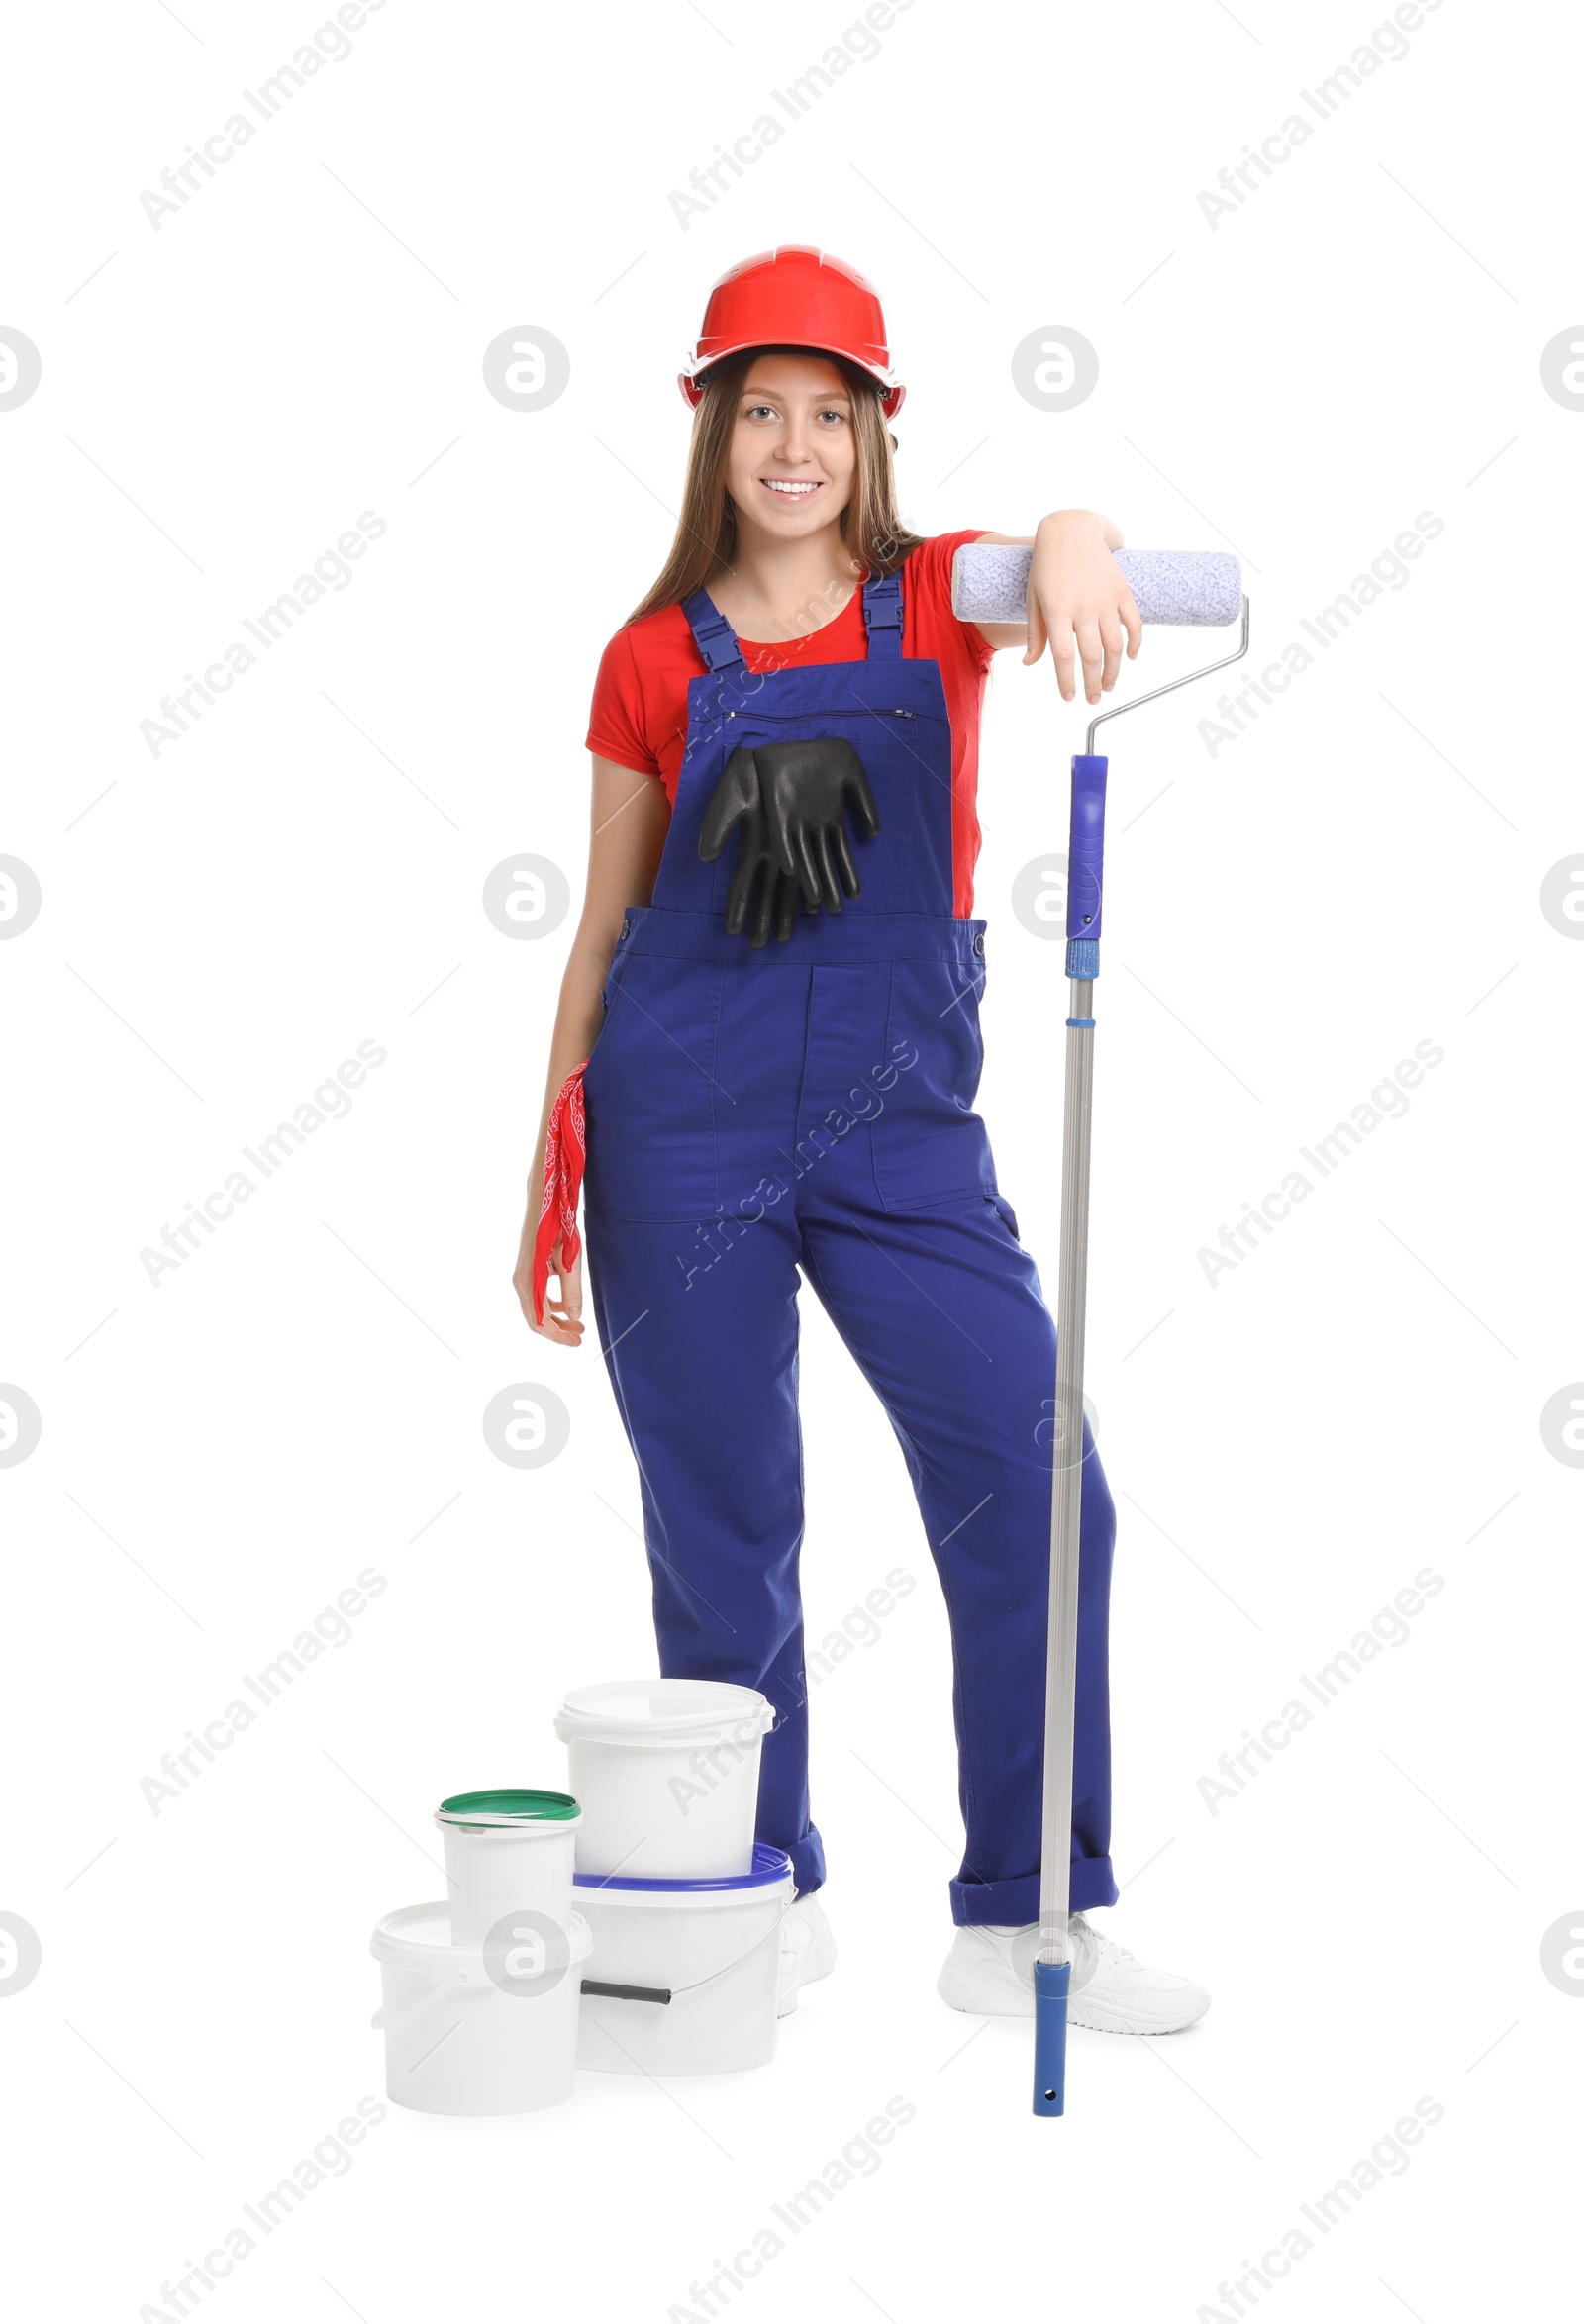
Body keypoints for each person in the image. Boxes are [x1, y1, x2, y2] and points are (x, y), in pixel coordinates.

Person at [513, 247, 1208, 2035]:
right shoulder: (649, 656)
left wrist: (1067, 523)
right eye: (765, 411)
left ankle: (1025, 1916)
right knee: (727, 1522)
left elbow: (1069, 553)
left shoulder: (945, 597)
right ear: (710, 429)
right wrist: (555, 1155)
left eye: (834, 412)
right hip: (680, 1119)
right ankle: (758, 1888)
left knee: (1040, 1476)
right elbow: (601, 930)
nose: (798, 445)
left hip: (903, 1132)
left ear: (879, 431)